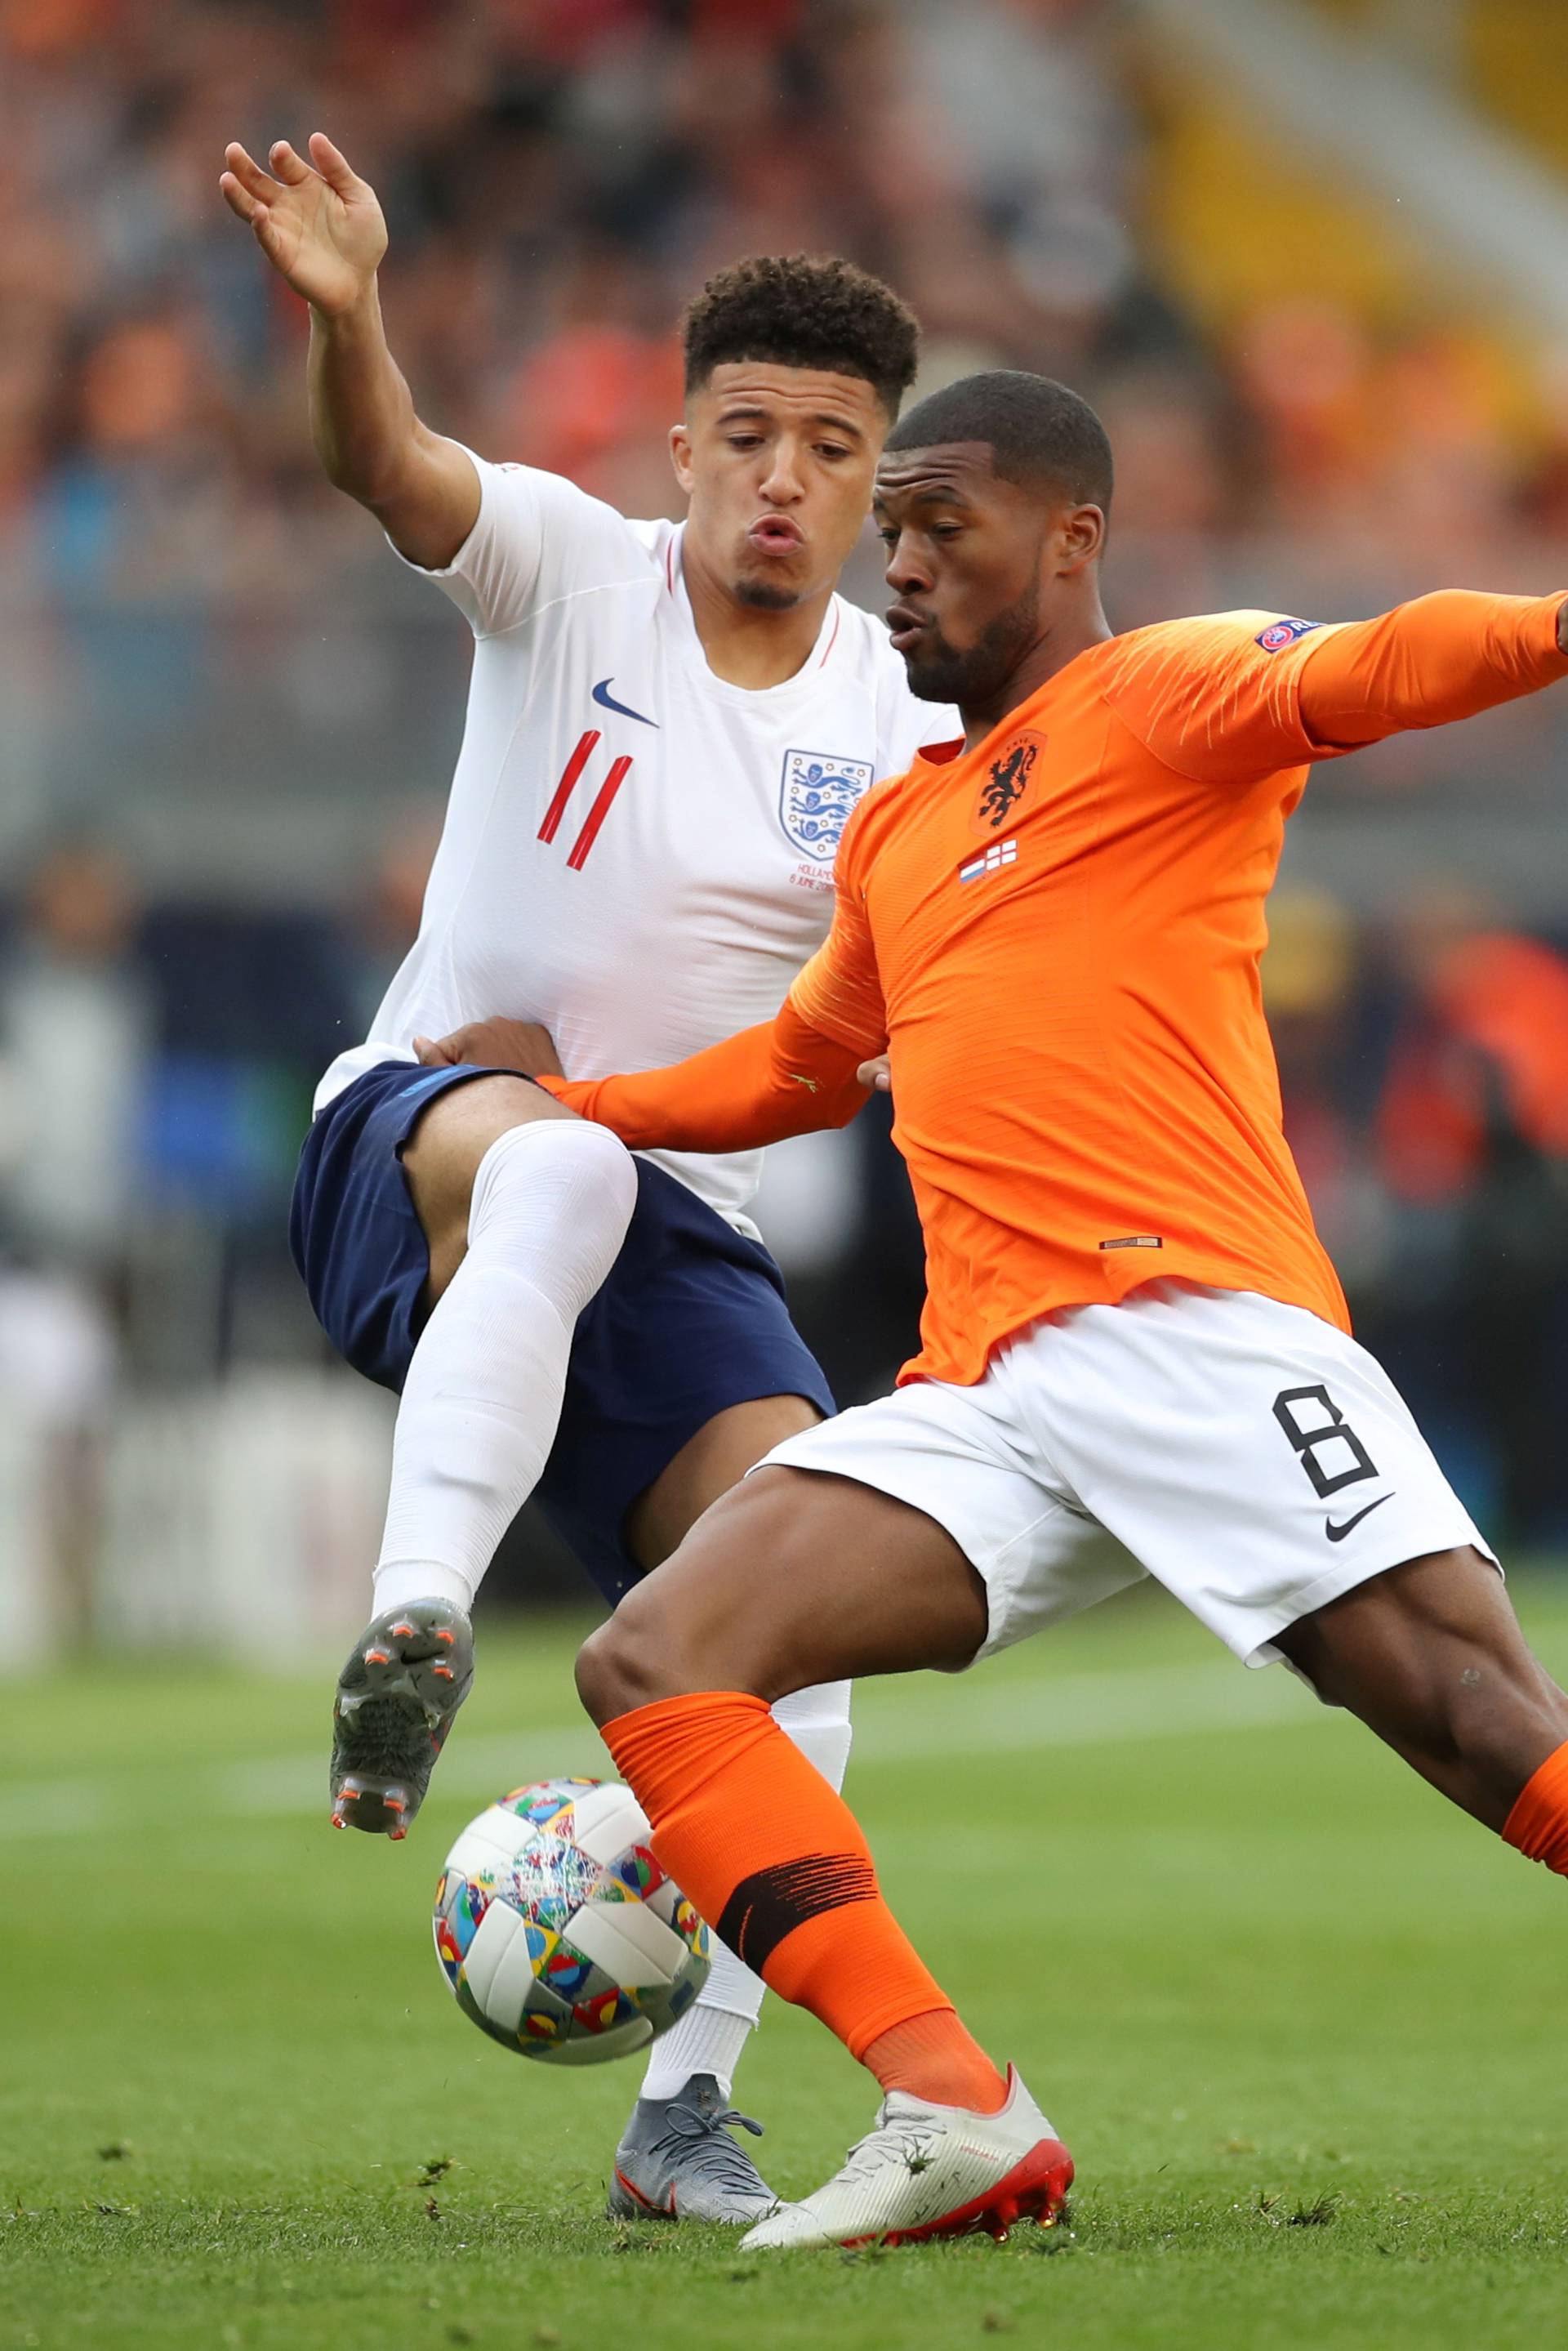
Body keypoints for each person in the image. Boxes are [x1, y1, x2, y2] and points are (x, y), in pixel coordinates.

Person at [513, 369, 1568, 2250]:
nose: (896, 568)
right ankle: (950, 2102)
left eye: (940, 527)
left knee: (1481, 1720)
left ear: (1071, 538)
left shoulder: (1162, 693)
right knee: (659, 1659)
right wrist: (565, 1109)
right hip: (983, 1389)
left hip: (1188, 1326)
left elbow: (1397, 660)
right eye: (890, 534)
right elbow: (792, 1066)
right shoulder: (901, 833)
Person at [218, 128, 956, 2222]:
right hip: (428, 1138)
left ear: (880, 478)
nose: (787, 477)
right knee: (552, 1176)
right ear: (683, 449)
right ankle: (415, 1630)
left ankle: (685, 2113)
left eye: (833, 443)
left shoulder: (903, 725)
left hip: (677, 1196)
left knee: (796, 1595)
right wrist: (351, 314)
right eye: (750, 435)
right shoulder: (568, 563)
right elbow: (395, 470)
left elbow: (860, 1044)